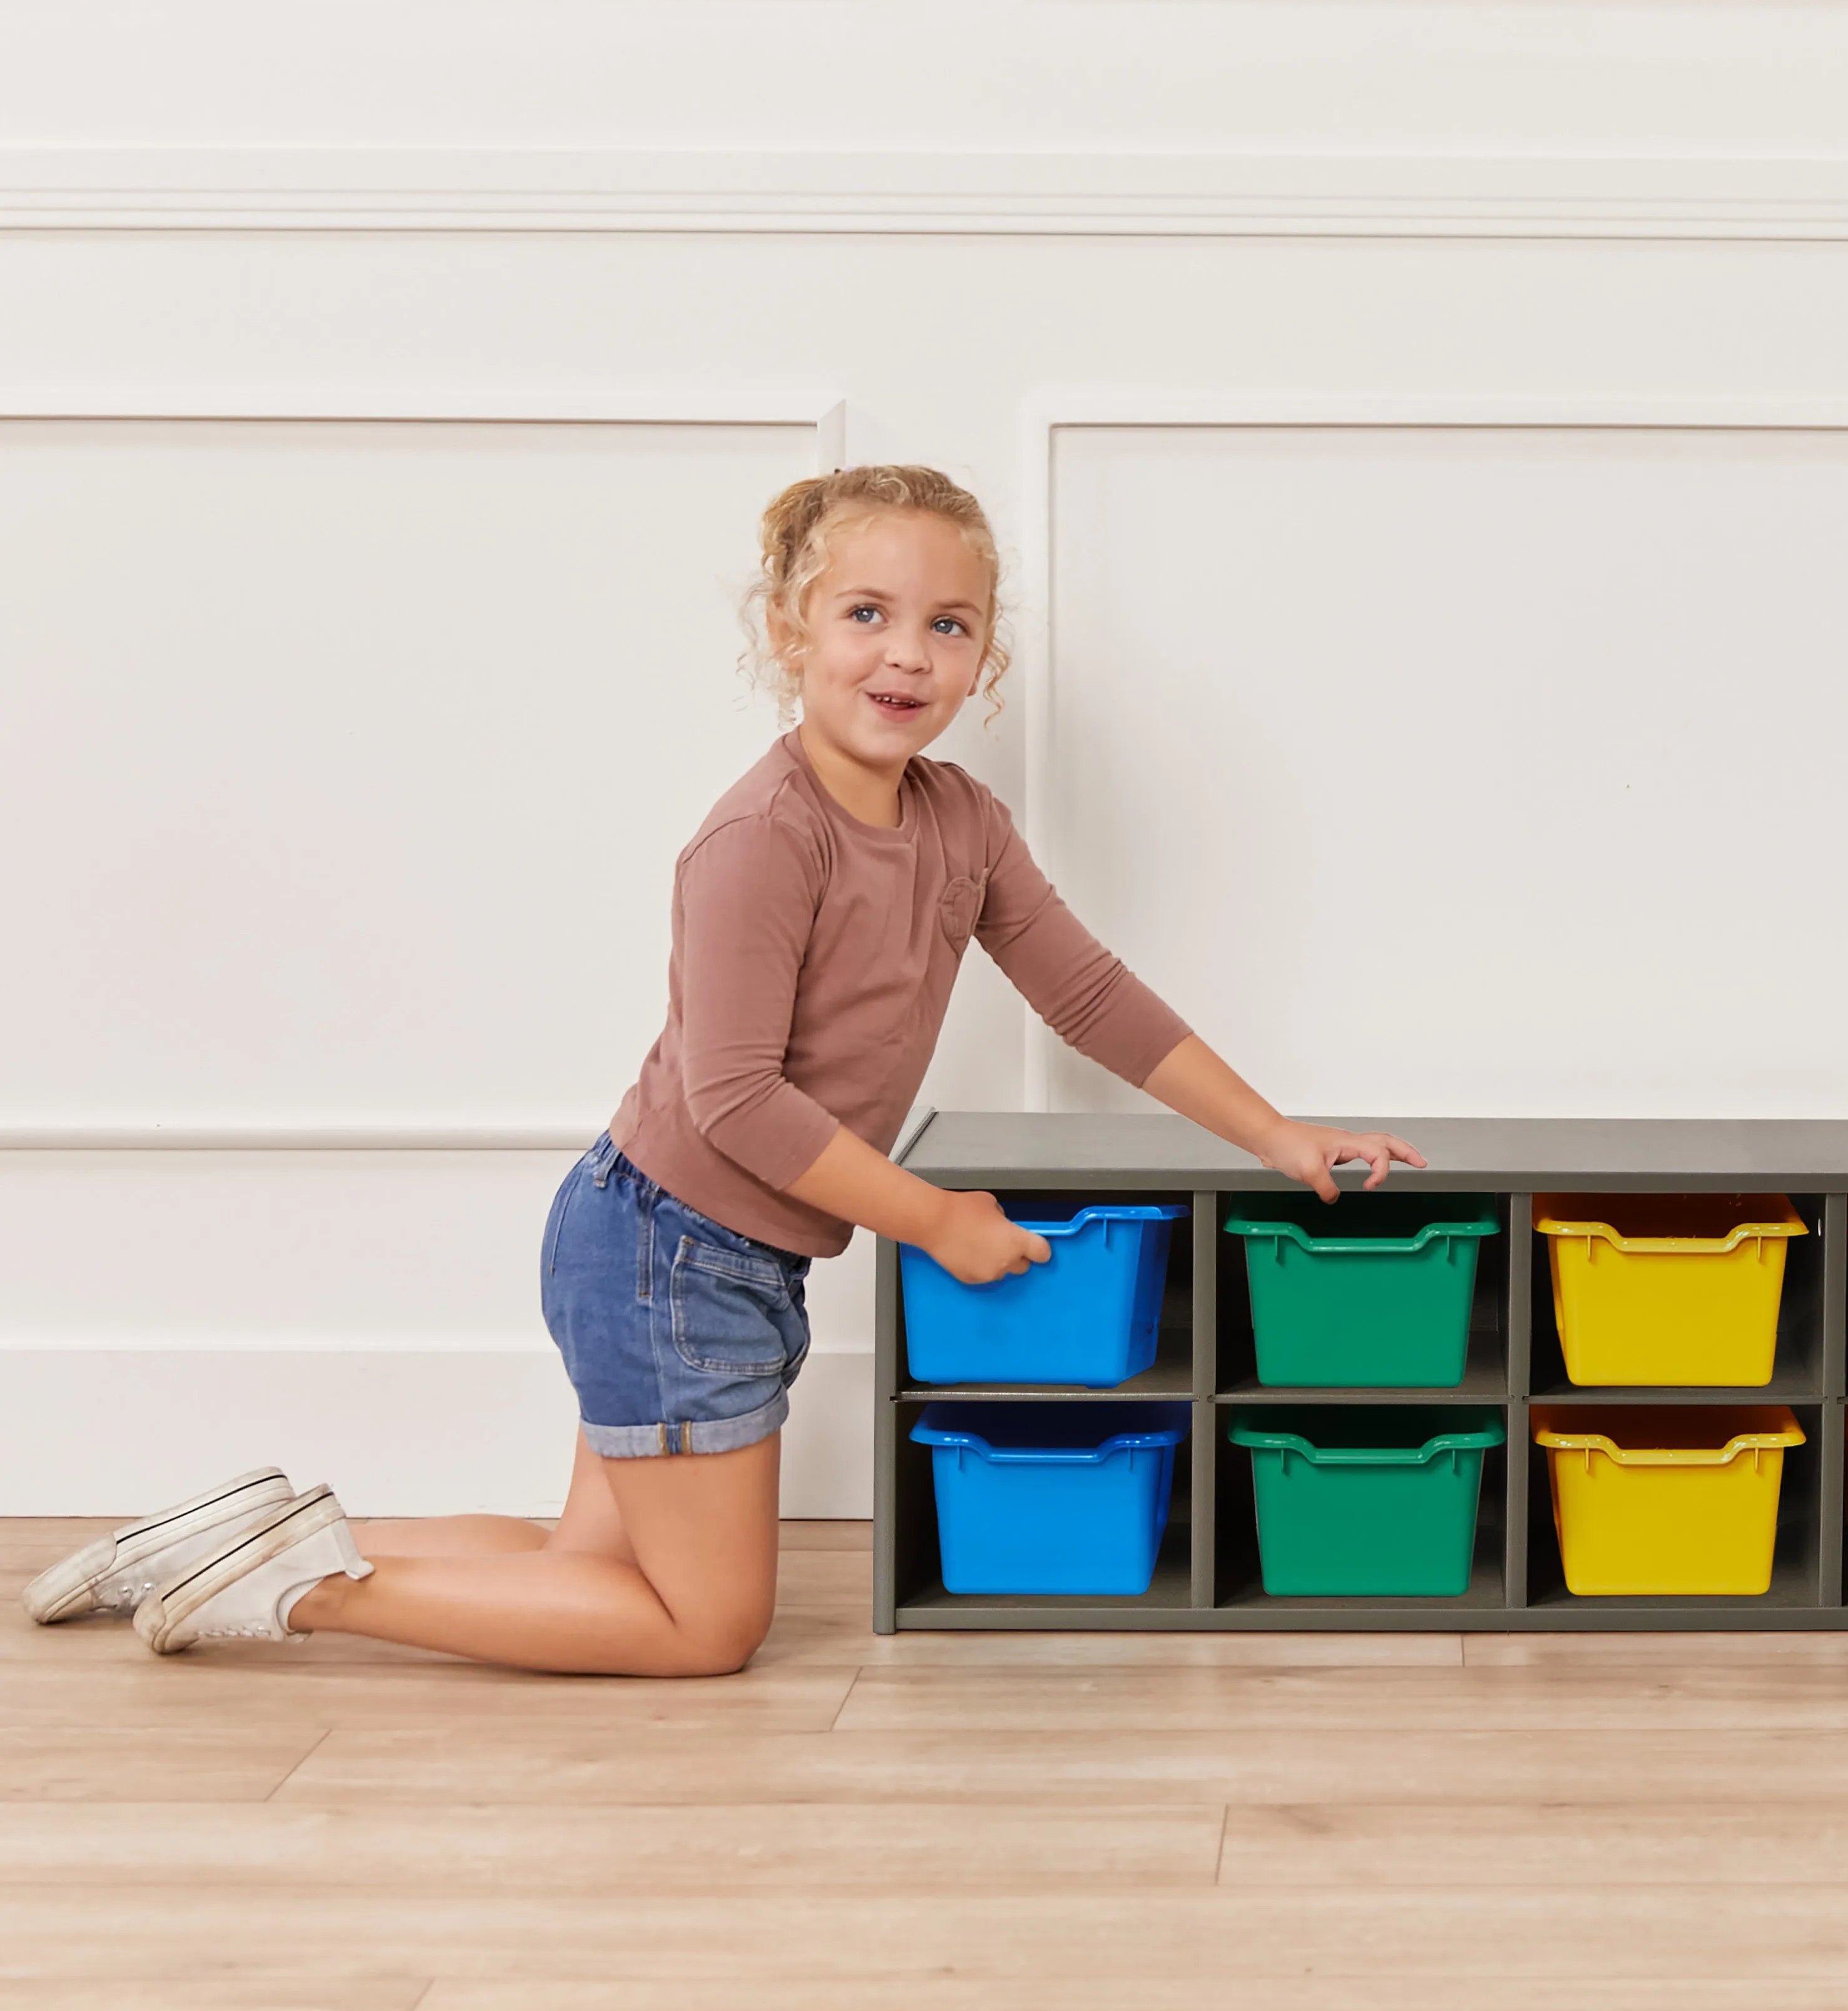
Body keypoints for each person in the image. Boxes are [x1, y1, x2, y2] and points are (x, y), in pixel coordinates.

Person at [24, 464, 1421, 1674]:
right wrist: (935, 1218)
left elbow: (1088, 991)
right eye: (865, 614)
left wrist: (1275, 1133)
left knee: (586, 1552)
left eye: (947, 624)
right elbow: (734, 1097)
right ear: (788, 630)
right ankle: (305, 1591)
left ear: (984, 658)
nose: (905, 654)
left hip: (700, 1251)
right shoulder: (764, 836)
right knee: (703, 1624)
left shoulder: (962, 823)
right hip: (666, 1248)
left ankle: (219, 1535)